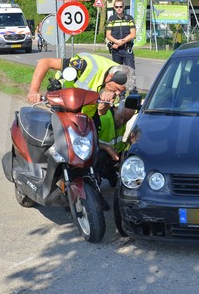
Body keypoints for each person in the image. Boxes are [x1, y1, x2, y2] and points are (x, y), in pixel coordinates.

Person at [28, 53, 136, 197]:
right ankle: (47, 176)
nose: (117, 93)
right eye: (116, 89)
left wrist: (104, 101)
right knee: (56, 143)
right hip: (63, 103)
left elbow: (101, 112)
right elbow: (45, 62)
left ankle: (88, 189)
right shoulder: (85, 65)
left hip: (86, 113)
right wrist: (33, 91)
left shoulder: (115, 81)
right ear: (110, 77)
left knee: (89, 148)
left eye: (120, 92)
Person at [105, 0, 136, 69]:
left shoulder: (129, 18)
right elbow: (108, 35)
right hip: (116, 51)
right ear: (114, 7)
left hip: (127, 49)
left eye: (120, 7)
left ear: (123, 7)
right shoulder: (111, 19)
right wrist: (116, 42)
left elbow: (133, 34)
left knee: (130, 72)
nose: (119, 9)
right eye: (117, 7)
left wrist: (122, 42)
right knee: (117, 73)